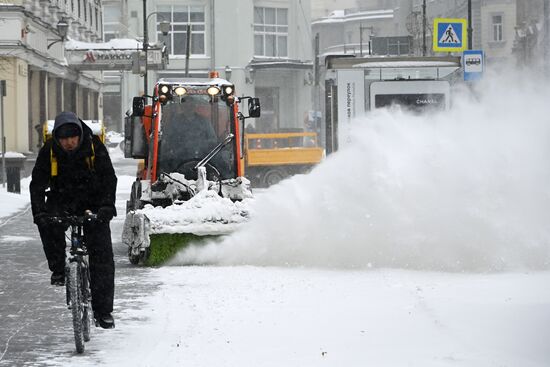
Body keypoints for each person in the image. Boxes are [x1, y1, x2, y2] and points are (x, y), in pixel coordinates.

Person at [29, 111, 118, 329]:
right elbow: (37, 184)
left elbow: (109, 178)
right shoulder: (49, 151)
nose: (69, 142)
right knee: (48, 225)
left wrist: (106, 207)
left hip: (93, 201)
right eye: (63, 138)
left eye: (72, 137)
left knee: (102, 254)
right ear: (57, 139)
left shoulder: (94, 147)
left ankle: (103, 311)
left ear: (79, 134)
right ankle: (58, 269)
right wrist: (39, 213)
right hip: (62, 199)